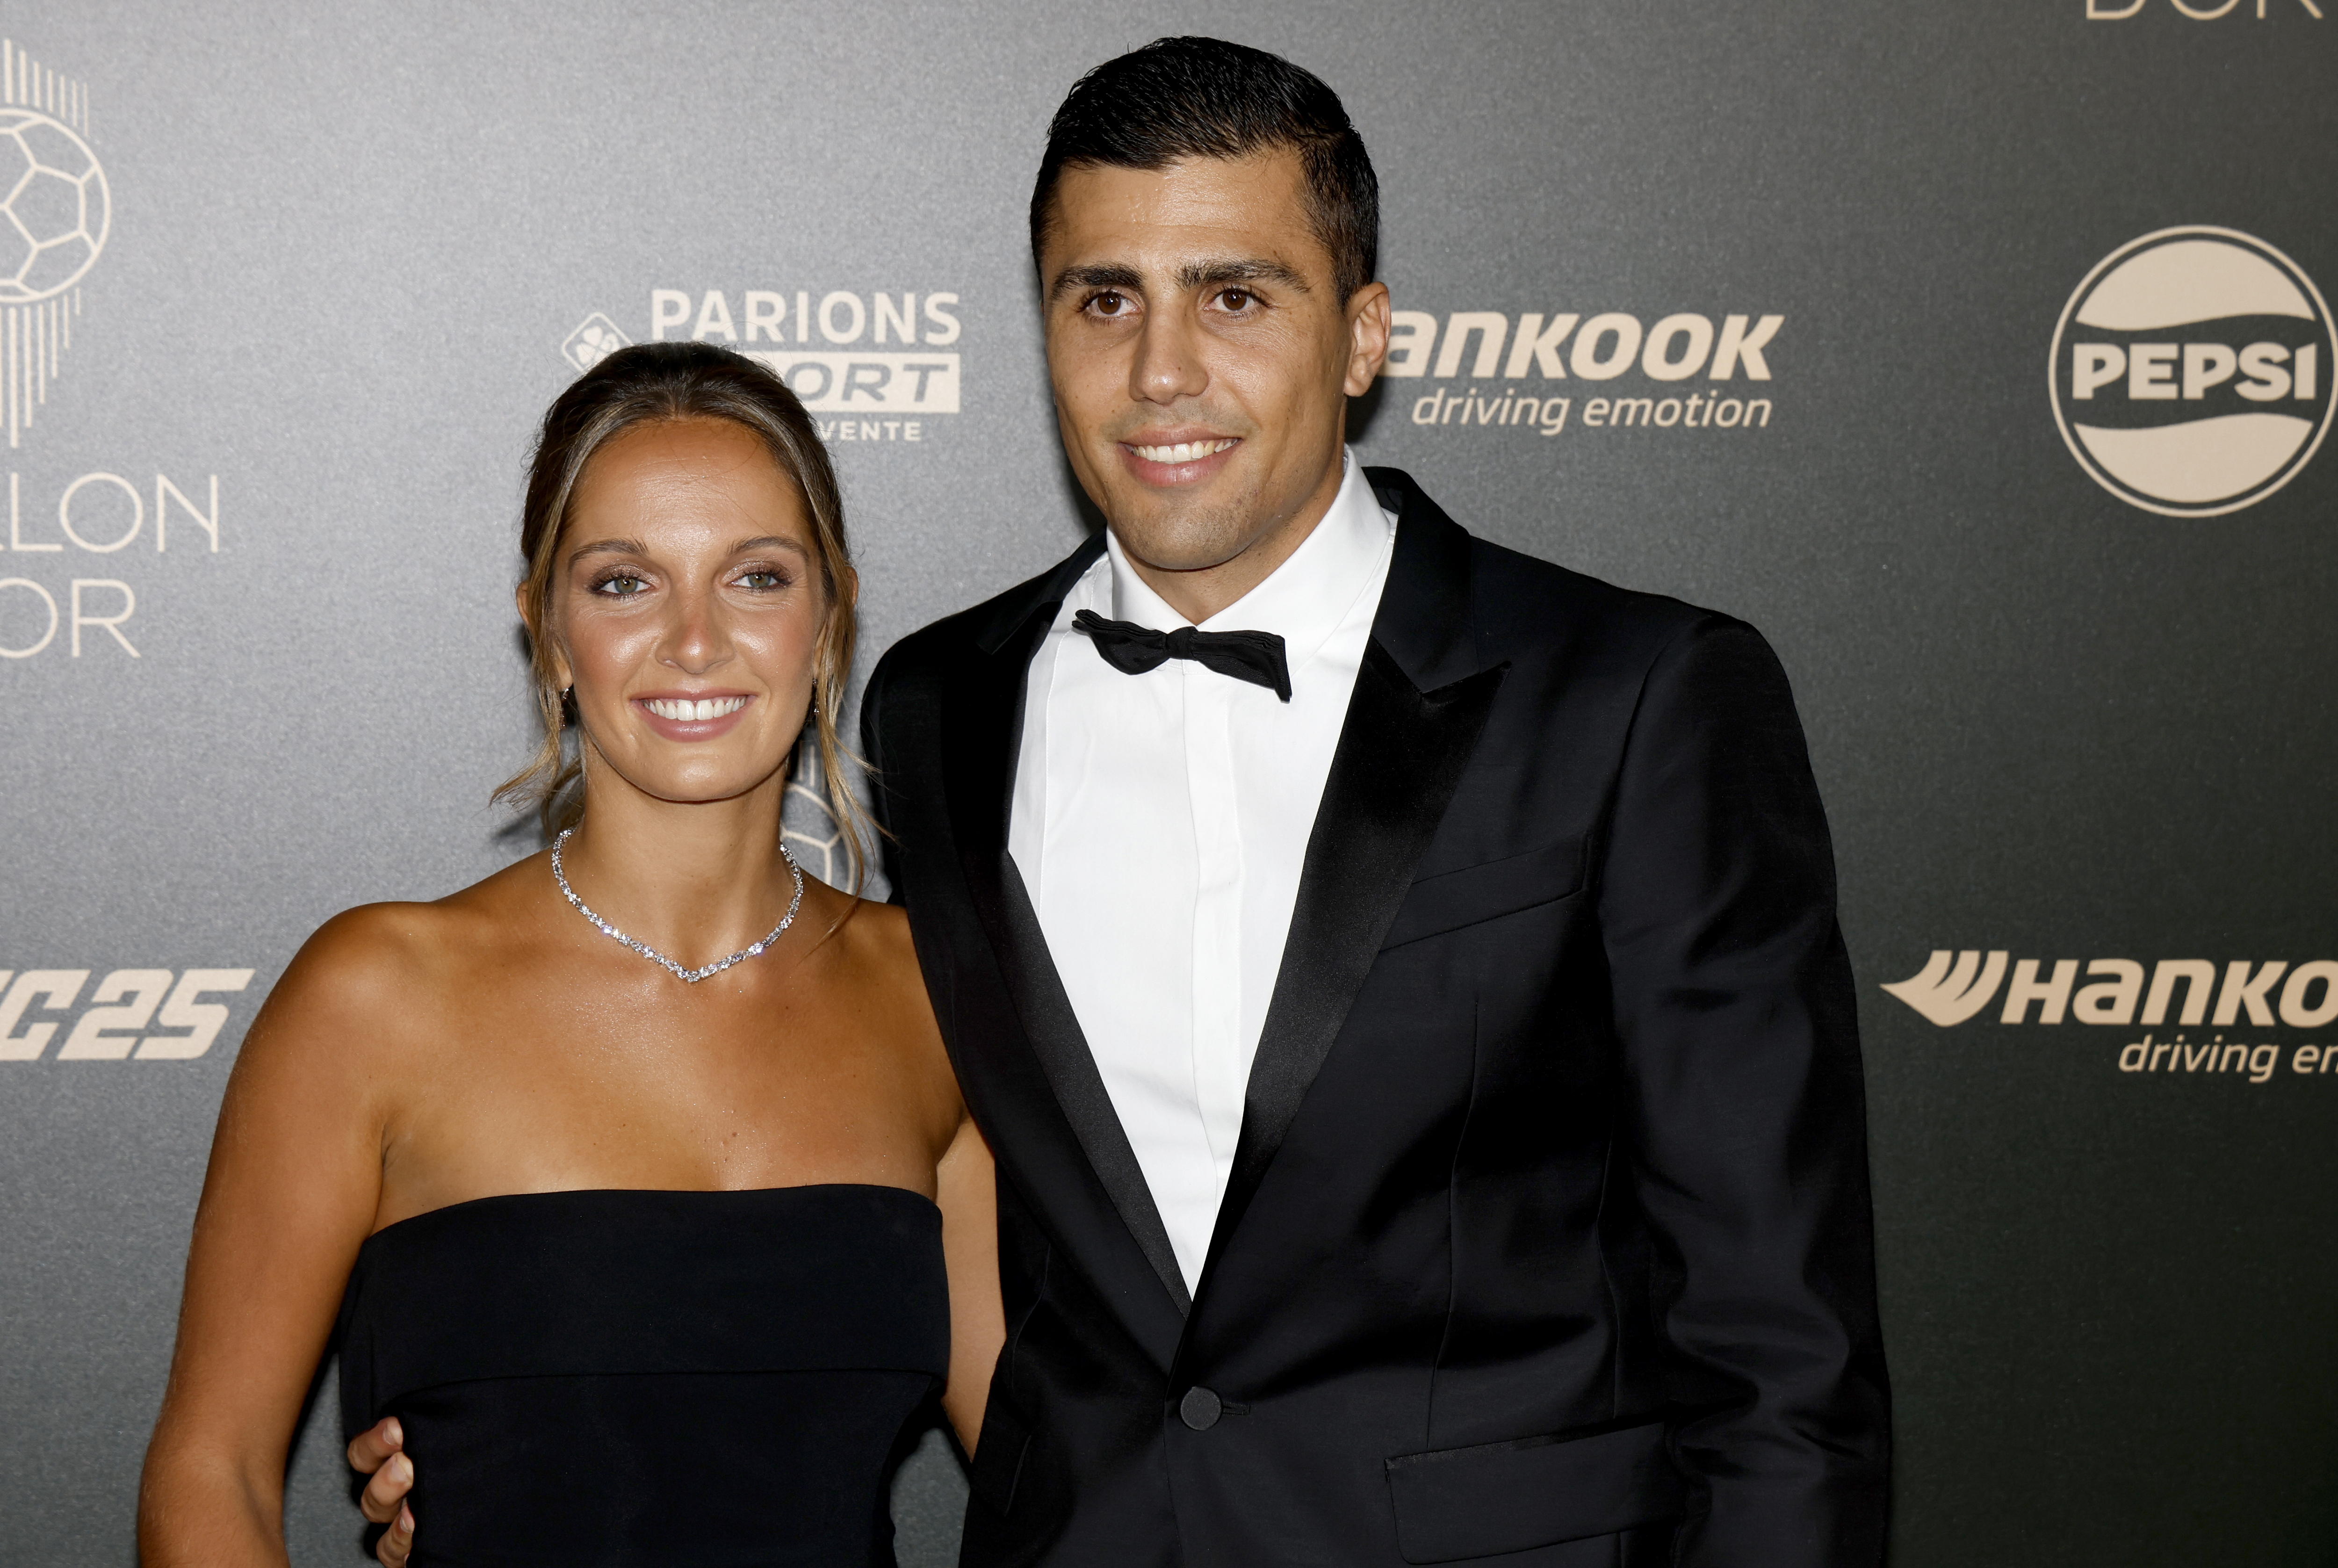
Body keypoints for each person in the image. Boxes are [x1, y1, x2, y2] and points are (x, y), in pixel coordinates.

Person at [363, 36, 1891, 1568]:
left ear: (1363, 336)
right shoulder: (940, 705)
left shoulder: (1632, 697)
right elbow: (854, 1195)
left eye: (1235, 295)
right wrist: (528, 1416)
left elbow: (1783, 1359)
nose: (1163, 372)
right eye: (1106, 300)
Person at [139, 342, 1003, 1568]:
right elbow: (208, 1476)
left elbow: (1060, 1466)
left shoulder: (938, 995)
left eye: (755, 577)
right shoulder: (378, 995)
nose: (694, 641)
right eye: (624, 584)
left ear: (828, 621)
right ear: (548, 630)